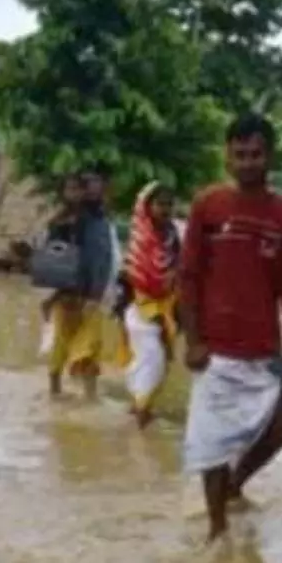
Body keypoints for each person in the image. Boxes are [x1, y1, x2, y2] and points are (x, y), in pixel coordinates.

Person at [180, 113, 282, 542]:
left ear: (270, 156)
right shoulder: (207, 206)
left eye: (256, 154)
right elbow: (189, 277)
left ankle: (237, 485)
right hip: (216, 351)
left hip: (269, 350)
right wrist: (193, 340)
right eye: (240, 154)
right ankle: (217, 530)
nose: (248, 162)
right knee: (212, 442)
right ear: (227, 157)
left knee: (277, 433)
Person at [40, 168, 118, 400]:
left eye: (79, 188)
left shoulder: (97, 222)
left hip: (89, 296)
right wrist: (52, 297)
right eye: (69, 189)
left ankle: (89, 397)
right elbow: (52, 263)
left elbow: (103, 261)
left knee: (90, 348)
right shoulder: (58, 222)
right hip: (66, 296)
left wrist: (95, 296)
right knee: (60, 345)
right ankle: (54, 392)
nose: (74, 194)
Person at [115, 181, 183, 428]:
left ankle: (140, 408)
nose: (165, 209)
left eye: (169, 204)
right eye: (159, 204)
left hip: (168, 306)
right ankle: (142, 415)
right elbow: (134, 277)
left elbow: (180, 268)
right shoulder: (141, 239)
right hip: (140, 308)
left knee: (162, 360)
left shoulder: (173, 235)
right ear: (147, 206)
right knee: (150, 357)